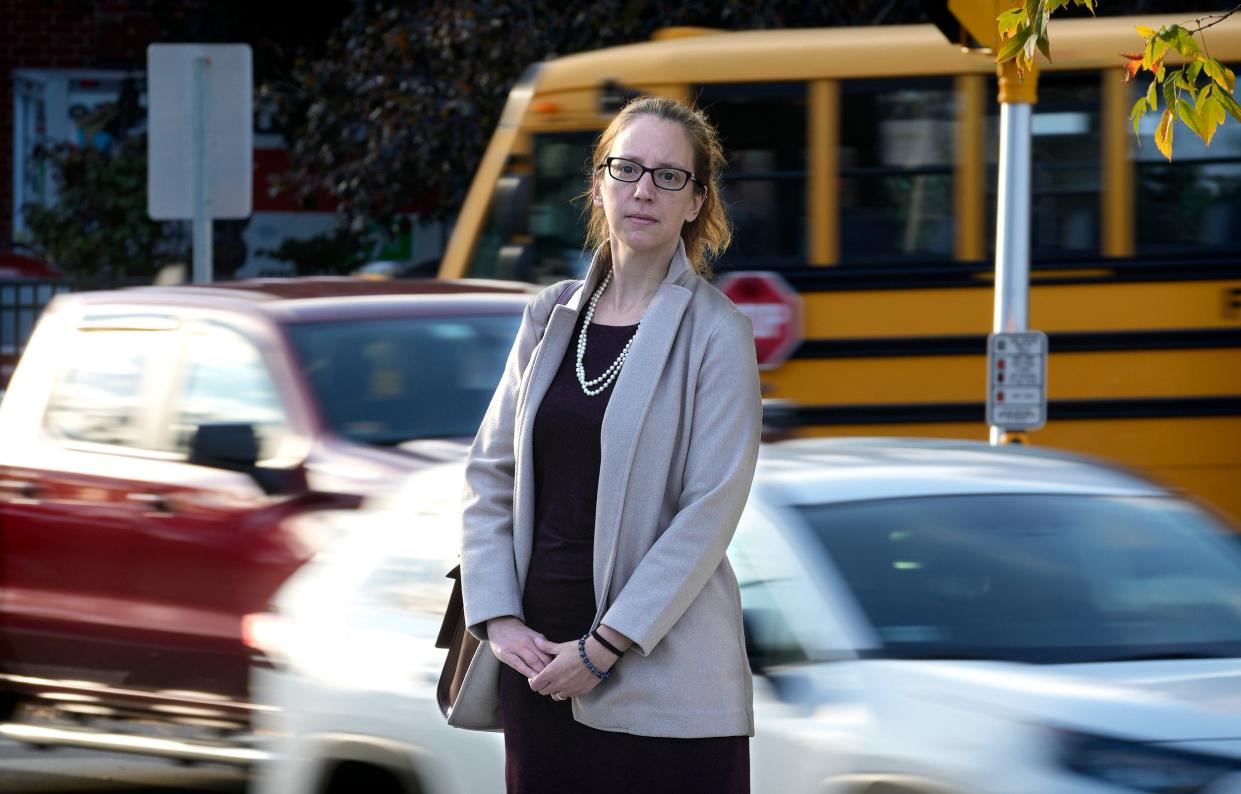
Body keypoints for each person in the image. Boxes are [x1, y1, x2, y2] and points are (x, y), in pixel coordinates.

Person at [453, 95, 762, 794]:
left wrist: (604, 647)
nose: (643, 189)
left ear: (695, 202)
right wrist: (498, 619)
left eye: (668, 176)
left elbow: (708, 511)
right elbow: (488, 477)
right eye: (626, 169)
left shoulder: (718, 333)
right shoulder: (548, 316)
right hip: (537, 664)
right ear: (597, 185)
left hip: (663, 673)